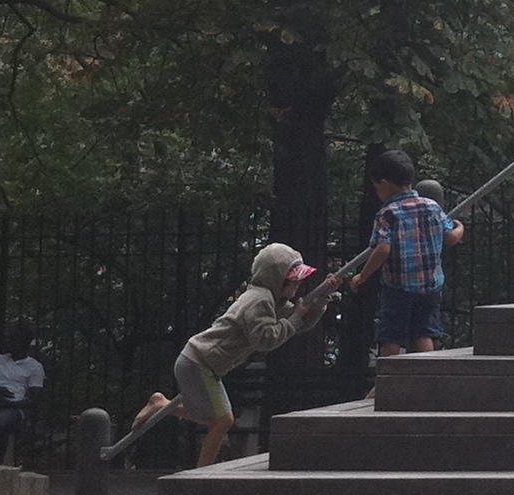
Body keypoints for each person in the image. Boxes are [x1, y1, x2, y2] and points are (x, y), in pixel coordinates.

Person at [129, 244, 327, 468]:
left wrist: (322, 300)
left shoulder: (271, 300)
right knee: (223, 421)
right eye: (292, 279)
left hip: (200, 362)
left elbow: (298, 323)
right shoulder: (259, 301)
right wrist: (296, 316)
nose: (298, 284)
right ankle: (201, 475)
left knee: (216, 418)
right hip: (199, 362)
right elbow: (266, 340)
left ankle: (161, 404)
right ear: (276, 278)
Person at [351, 152, 460, 358]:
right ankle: (426, 373)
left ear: (384, 184)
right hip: (430, 286)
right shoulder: (432, 207)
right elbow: (451, 237)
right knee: (424, 333)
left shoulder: (388, 213)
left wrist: (362, 276)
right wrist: (460, 227)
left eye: (377, 189)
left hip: (398, 287)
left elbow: (382, 250)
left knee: (392, 335)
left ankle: (389, 375)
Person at [0, 323, 45, 464]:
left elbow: (34, 400)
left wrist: (8, 404)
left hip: (13, 409)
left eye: (14, 339)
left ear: (25, 342)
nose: (9, 342)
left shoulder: (35, 367)